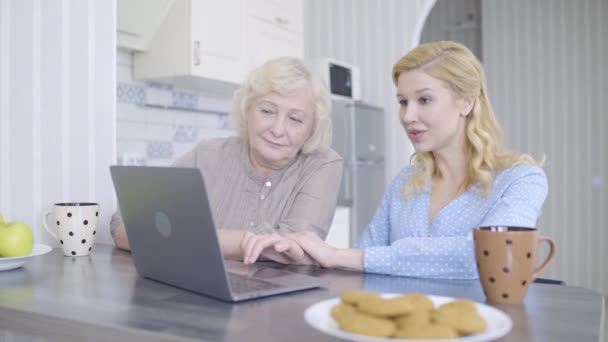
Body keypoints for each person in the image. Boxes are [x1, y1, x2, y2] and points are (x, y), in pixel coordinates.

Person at [242, 41, 548, 279]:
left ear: (466, 101)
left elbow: (488, 254)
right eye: (403, 102)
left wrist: (336, 254)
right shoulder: (406, 183)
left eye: (424, 100)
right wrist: (302, 252)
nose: (408, 116)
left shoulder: (521, 180)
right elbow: (361, 257)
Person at [110, 57, 343, 263]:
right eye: (267, 111)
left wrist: (185, 237)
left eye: (295, 119)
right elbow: (127, 220)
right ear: (247, 111)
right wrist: (244, 242)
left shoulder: (323, 164)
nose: (278, 129)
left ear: (311, 129)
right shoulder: (207, 155)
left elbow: (292, 248)